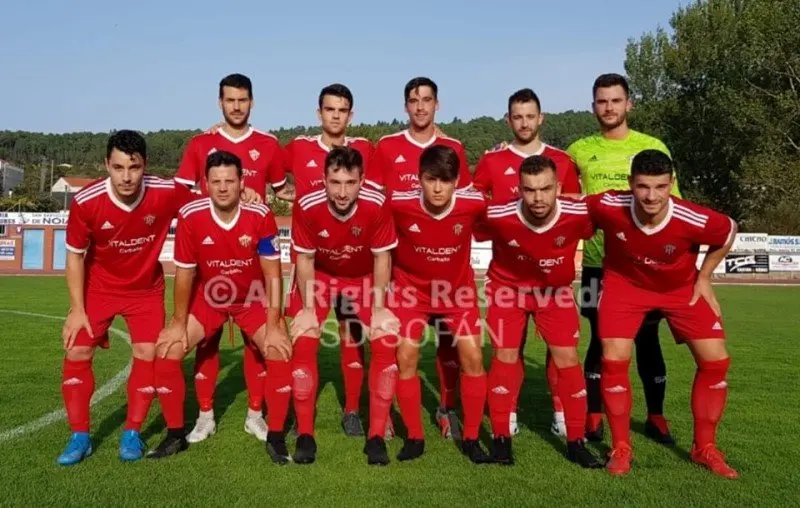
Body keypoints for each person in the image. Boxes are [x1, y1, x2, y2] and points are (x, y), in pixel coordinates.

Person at [584, 149, 738, 478]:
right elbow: (568, 208)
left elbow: (728, 231)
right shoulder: (610, 205)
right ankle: (621, 447)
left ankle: (705, 448)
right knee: (613, 359)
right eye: (642, 187)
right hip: (624, 286)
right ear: (630, 184)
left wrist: (705, 276)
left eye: (660, 187)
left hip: (680, 289)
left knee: (716, 361)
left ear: (672, 184)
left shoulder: (691, 217)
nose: (651, 196)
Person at [58, 130, 194, 465]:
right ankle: (80, 436)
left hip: (145, 291)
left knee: (147, 353)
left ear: (144, 165)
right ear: (107, 165)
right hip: (98, 289)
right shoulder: (86, 201)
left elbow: (208, 200)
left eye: (133, 167)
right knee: (77, 347)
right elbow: (75, 256)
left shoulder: (165, 192)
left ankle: (132, 431)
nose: (126, 176)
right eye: (118, 167)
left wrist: (245, 194)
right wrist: (77, 309)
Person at [148, 150, 291, 459]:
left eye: (230, 181)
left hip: (252, 297)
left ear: (242, 183)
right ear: (205, 184)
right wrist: (176, 323)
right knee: (167, 351)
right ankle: (185, 429)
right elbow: (184, 273)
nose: (223, 187)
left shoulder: (260, 214)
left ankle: (268, 428)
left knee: (278, 349)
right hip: (209, 297)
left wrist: (275, 322)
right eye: (216, 181)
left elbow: (273, 273)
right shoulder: (190, 214)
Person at [174, 73, 291, 444]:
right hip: (211, 270)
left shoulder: (269, 145)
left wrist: (268, 198)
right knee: (205, 343)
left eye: (242, 100)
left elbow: (282, 192)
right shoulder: (200, 144)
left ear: (252, 102)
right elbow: (181, 197)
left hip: (252, 267)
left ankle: (255, 414)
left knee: (261, 345)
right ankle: (205, 416)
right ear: (219, 102)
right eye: (230, 100)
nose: (236, 106)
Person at [566, 73, 680, 443]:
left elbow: (673, 203)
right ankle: (595, 416)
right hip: (600, 264)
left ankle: (656, 416)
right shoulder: (579, 150)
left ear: (629, 104)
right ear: (593, 106)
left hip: (646, 267)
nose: (609, 107)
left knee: (649, 340)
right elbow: (563, 199)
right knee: (601, 340)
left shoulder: (652, 146)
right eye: (602, 101)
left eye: (616, 100)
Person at [275, 146, 400, 466]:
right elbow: (303, 258)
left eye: (350, 183)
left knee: (385, 342)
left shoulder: (377, 202)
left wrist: (380, 307)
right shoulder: (307, 204)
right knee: (304, 341)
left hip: (362, 278)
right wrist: (306, 307)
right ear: (324, 179)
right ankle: (305, 433)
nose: (342, 192)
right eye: (335, 182)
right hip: (321, 276)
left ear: (362, 181)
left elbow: (382, 257)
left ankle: (375, 437)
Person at [366, 77, 472, 440]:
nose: (421, 106)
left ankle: (447, 410)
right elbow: (375, 203)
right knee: (395, 345)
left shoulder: (454, 147)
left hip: (447, 273)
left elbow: (467, 204)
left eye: (427, 100)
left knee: (450, 346)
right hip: (401, 267)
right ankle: (391, 410)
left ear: (437, 104)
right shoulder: (389, 145)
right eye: (414, 100)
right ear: (406, 106)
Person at [472, 88, 582, 438]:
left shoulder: (562, 161)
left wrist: (564, 253)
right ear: (508, 120)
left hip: (553, 279)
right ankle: (510, 411)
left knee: (560, 349)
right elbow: (477, 209)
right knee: (509, 349)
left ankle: (561, 412)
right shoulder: (491, 161)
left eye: (529, 116)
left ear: (541, 118)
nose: (523, 123)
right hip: (508, 277)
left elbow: (575, 211)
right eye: (517, 117)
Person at [482, 155, 602, 468]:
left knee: (568, 361)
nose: (538, 198)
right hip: (508, 292)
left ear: (559, 187)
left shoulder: (578, 212)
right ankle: (501, 440)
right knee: (505, 358)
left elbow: (616, 209)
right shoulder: (498, 213)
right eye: (530, 190)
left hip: (555, 294)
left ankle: (576, 441)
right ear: (518, 189)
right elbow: (465, 216)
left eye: (546, 189)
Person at [282, 84, 378, 437]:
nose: (335, 115)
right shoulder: (299, 147)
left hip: (354, 264)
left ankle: (352, 410)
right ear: (318, 112)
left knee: (352, 336)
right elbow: (266, 173)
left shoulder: (366, 150)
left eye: (342, 110)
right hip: (312, 265)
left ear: (350, 115)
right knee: (303, 336)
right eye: (329, 109)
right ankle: (299, 412)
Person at [387, 144, 491, 464]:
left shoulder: (474, 204)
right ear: (419, 178)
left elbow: (507, 219)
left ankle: (471, 438)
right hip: (410, 295)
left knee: (473, 356)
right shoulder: (398, 203)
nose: (437, 188)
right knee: (405, 356)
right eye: (431, 179)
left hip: (457, 296)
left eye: (445, 180)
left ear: (457, 181)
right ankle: (415, 437)